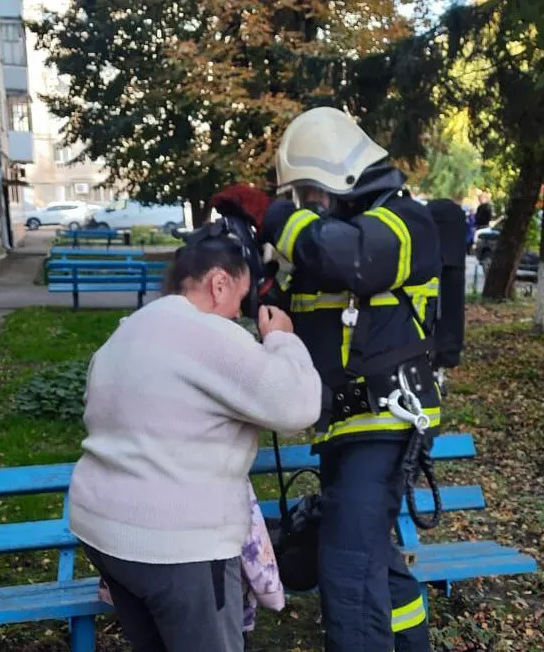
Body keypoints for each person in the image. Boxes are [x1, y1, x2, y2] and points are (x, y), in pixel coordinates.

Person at [67, 232, 322, 652]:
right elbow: (299, 406)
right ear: (219, 284)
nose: (239, 313)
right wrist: (282, 339)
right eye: (240, 298)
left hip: (103, 532)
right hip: (177, 545)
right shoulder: (207, 335)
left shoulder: (127, 333)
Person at [258, 106, 443, 652]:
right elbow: (294, 310)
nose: (306, 206)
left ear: (342, 178)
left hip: (387, 420)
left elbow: (354, 259)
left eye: (309, 194)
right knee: (372, 560)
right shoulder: (331, 240)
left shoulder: (405, 223)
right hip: (345, 429)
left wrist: (273, 217)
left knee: (347, 570)